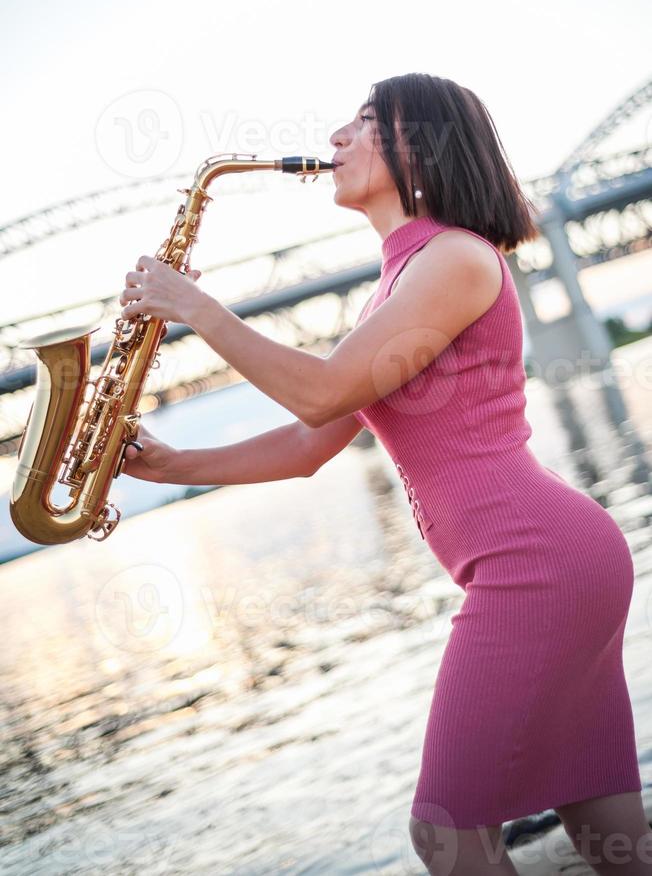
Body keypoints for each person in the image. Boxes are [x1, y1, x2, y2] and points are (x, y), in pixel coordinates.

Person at [118, 73, 651, 875]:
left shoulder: (456, 259)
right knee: (603, 821)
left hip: (535, 565)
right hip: (551, 561)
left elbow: (325, 386)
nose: (334, 136)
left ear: (423, 148)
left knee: (444, 830)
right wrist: (173, 464)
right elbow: (309, 442)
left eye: (364, 121)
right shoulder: (396, 288)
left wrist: (195, 307)